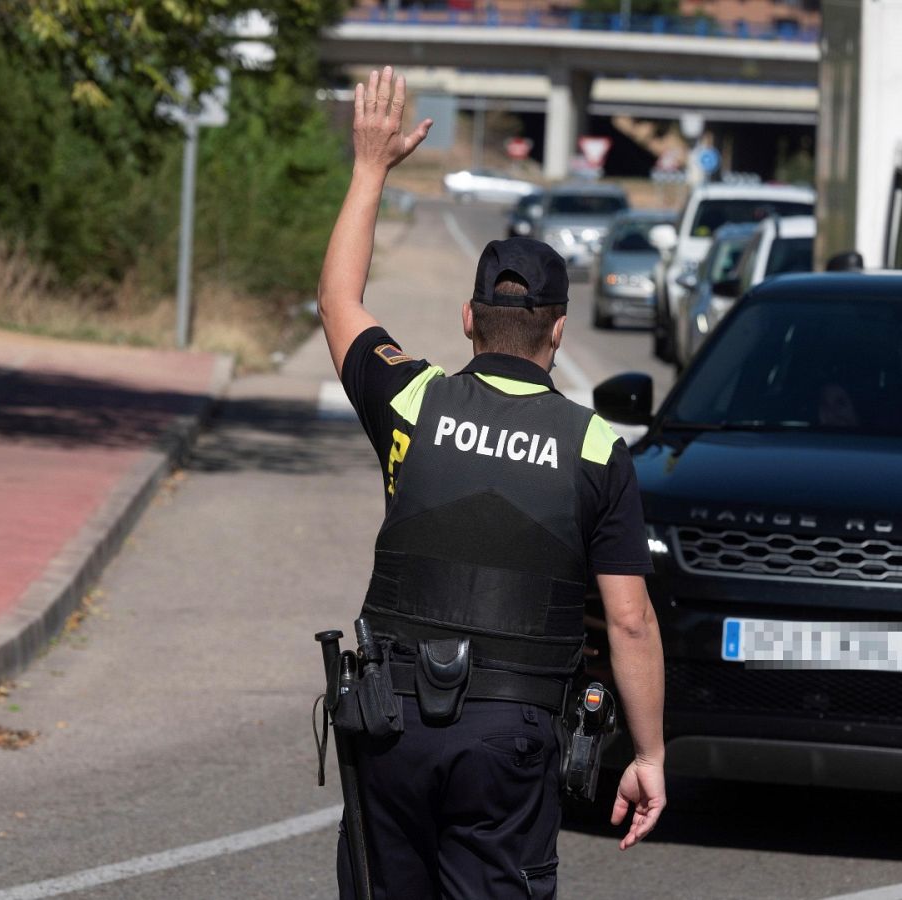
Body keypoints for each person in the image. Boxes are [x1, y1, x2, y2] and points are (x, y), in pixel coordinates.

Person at [317, 67, 668, 899]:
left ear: (469, 320)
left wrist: (370, 166)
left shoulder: (412, 399)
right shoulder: (593, 446)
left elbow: (337, 299)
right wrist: (648, 754)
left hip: (391, 719)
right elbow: (629, 618)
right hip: (510, 736)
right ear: (560, 329)